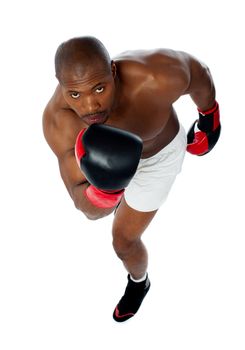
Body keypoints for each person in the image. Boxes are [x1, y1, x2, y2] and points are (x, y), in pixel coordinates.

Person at [42, 36, 221, 322]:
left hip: (158, 157)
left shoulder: (153, 75)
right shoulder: (59, 122)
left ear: (113, 71)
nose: (90, 106)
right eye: (75, 94)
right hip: (106, 181)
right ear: (61, 86)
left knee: (124, 238)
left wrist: (209, 119)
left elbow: (199, 74)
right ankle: (140, 282)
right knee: (122, 246)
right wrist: (106, 189)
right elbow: (83, 203)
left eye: (99, 88)